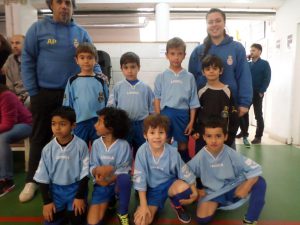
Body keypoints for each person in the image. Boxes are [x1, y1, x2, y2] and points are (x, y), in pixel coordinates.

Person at [19, 0, 101, 203]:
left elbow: (92, 59)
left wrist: (100, 78)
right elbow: (27, 60)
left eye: (68, 3)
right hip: (43, 94)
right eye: (59, 2)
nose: (64, 6)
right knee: (40, 136)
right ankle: (32, 180)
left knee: (71, 136)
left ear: (73, 7)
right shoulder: (38, 29)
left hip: (73, 95)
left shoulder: (81, 33)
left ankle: (70, 177)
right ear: (51, 5)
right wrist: (33, 91)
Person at [188, 116, 266, 225]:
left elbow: (255, 168)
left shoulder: (230, 153)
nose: (214, 140)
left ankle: (250, 219)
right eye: (209, 136)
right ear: (204, 137)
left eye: (218, 136)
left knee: (259, 181)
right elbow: (185, 173)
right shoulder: (200, 157)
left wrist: (247, 185)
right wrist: (196, 190)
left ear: (225, 136)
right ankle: (218, 203)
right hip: (213, 192)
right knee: (202, 219)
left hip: (232, 188)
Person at [133, 114, 197, 225]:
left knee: (187, 189)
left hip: (170, 184)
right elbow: (140, 178)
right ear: (145, 135)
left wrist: (194, 190)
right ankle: (153, 207)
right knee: (141, 222)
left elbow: (184, 170)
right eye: (152, 133)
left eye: (161, 132)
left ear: (166, 135)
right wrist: (143, 205)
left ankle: (177, 205)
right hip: (153, 189)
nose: (157, 137)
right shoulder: (141, 152)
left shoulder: (172, 152)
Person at [188, 8, 252, 119]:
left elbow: (244, 76)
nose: (214, 25)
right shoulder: (198, 51)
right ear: (206, 25)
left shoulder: (237, 48)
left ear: (224, 23)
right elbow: (191, 80)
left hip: (229, 104)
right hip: (203, 105)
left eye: (218, 21)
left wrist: (245, 103)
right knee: (204, 136)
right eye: (210, 22)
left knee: (227, 135)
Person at [33, 106, 89, 225]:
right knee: (50, 220)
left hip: (75, 189)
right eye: (54, 124)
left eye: (62, 124)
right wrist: (47, 203)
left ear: (73, 125)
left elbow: (85, 174)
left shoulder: (81, 145)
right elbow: (42, 177)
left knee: (77, 219)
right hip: (56, 191)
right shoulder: (48, 149)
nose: (57, 128)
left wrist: (79, 197)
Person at [154, 37, 200, 162]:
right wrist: (158, 117)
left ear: (184, 55)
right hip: (166, 114)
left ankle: (184, 167)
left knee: (183, 144)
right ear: (167, 55)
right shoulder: (161, 76)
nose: (176, 57)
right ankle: (166, 166)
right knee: (165, 141)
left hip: (183, 115)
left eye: (179, 54)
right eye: (172, 54)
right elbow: (157, 98)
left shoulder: (190, 77)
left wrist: (191, 122)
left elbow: (193, 102)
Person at [87, 107, 132, 225]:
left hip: (116, 184)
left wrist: (108, 179)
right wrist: (96, 171)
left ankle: (123, 212)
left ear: (110, 128)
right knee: (93, 223)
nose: (95, 125)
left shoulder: (123, 145)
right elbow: (91, 165)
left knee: (125, 179)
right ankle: (110, 201)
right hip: (101, 186)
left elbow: (124, 169)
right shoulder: (96, 144)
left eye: (99, 122)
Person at [107, 51, 154, 158]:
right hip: (124, 125)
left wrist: (151, 126)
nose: (129, 70)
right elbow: (111, 107)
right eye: (126, 67)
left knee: (142, 153)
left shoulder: (146, 88)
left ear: (139, 67)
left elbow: (152, 109)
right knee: (124, 153)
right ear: (121, 68)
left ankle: (141, 173)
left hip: (141, 125)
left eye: (133, 67)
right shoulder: (118, 87)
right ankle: (125, 173)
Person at [63, 42, 109, 145]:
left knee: (98, 150)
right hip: (79, 123)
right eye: (82, 58)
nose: (86, 61)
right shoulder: (72, 81)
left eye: (89, 57)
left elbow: (107, 103)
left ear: (95, 60)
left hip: (98, 123)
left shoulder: (101, 81)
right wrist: (69, 123)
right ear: (76, 60)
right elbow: (67, 104)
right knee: (79, 150)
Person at [192, 55, 239, 153]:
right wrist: (195, 131)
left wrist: (230, 136)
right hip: (203, 137)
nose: (211, 71)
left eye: (215, 68)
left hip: (222, 138)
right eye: (208, 69)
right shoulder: (200, 90)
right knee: (202, 165)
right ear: (203, 72)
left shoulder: (227, 91)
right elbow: (194, 111)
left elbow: (234, 116)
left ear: (221, 71)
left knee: (222, 165)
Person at [0, 84, 32, 197]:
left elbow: (8, 124)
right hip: (7, 126)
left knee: (2, 138)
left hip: (24, 124)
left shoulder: (6, 96)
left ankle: (6, 180)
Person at [236, 43, 271, 145]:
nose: (251, 52)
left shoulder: (264, 64)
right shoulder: (248, 64)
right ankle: (244, 132)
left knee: (258, 115)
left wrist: (262, 91)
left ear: (259, 52)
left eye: (254, 50)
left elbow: (267, 78)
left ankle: (258, 136)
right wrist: (245, 59)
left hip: (257, 93)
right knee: (243, 113)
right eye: (250, 50)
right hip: (247, 92)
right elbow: (242, 75)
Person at [2, 35, 29, 106]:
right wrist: (13, 97)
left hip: (29, 94)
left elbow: (35, 85)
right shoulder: (10, 59)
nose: (14, 46)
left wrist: (22, 96)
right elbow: (9, 83)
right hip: (15, 95)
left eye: (17, 43)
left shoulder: (32, 59)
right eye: (12, 43)